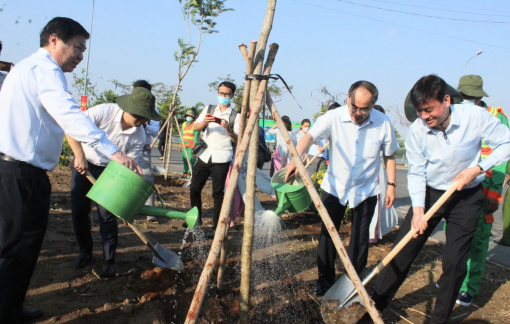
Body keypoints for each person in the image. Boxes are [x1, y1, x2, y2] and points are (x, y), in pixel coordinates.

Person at [0, 17, 141, 323]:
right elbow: (70, 115)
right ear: (54, 40)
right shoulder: (45, 71)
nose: (80, 55)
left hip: (12, 171)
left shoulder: (23, 68)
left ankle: (9, 307)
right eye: (77, 47)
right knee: (18, 248)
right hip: (22, 175)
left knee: (15, 245)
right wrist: (114, 152)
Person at [370, 75, 510, 324]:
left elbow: (506, 143)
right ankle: (375, 305)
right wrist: (419, 210)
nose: (424, 116)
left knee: (454, 263)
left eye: (429, 109)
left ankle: (439, 319)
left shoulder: (474, 117)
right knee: (403, 249)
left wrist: (478, 168)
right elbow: (416, 172)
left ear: (446, 100)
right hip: (429, 193)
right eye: (420, 111)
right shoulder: (417, 130)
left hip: (467, 196)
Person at [285, 80, 398, 296]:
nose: (357, 112)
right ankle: (324, 280)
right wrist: (295, 159)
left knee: (359, 238)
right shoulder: (334, 117)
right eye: (354, 106)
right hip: (335, 186)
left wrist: (391, 185)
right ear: (348, 99)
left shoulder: (382, 122)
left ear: (373, 105)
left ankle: (353, 283)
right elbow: (308, 137)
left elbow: (390, 154)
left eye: (364, 109)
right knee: (328, 233)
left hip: (367, 189)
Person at [67, 86, 161, 277]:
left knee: (107, 215)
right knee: (79, 210)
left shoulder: (139, 134)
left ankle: (109, 260)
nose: (142, 122)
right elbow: (71, 127)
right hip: (84, 164)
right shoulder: (104, 112)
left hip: (110, 171)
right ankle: (85, 251)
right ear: (128, 108)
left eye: (145, 119)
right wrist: (79, 155)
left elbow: (127, 165)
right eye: (140, 117)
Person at [436, 75, 509, 307]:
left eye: (469, 97)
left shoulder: (495, 116)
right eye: (463, 96)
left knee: (477, 241)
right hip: (457, 188)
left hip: (483, 189)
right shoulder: (452, 114)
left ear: (479, 97)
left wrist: (494, 194)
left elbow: (500, 161)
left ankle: (469, 286)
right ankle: (451, 277)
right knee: (454, 237)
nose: (465, 100)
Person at [188, 81, 240, 237]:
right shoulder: (209, 109)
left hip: (222, 156)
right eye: (221, 93)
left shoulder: (235, 115)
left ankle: (215, 226)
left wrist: (228, 129)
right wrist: (205, 121)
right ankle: (196, 220)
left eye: (226, 94)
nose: (223, 96)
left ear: (232, 96)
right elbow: (194, 127)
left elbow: (238, 139)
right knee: (194, 189)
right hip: (205, 154)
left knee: (217, 193)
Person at [131, 80, 160, 223]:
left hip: (143, 149)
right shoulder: (127, 107)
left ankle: (150, 214)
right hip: (126, 147)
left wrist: (144, 125)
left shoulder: (154, 113)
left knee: (147, 179)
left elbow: (156, 132)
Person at [369, 104, 399, 243]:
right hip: (371, 174)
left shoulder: (383, 132)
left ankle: (372, 234)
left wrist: (391, 185)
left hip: (379, 174)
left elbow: (389, 156)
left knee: (378, 203)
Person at [179, 110, 200, 178]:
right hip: (184, 145)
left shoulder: (195, 124)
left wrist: (194, 146)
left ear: (192, 117)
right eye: (187, 116)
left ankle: (191, 174)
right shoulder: (184, 124)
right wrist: (180, 145)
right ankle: (185, 174)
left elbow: (196, 136)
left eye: (190, 116)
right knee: (184, 159)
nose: (188, 117)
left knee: (191, 160)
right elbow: (181, 135)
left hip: (191, 146)